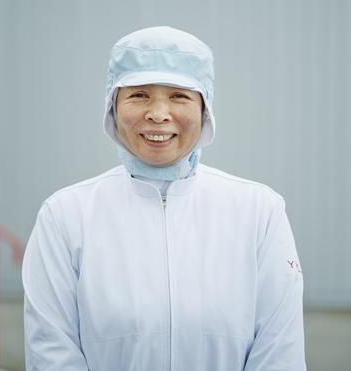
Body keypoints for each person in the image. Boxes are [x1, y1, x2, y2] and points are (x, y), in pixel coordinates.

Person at [22, 26, 306, 370]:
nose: (158, 113)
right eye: (139, 95)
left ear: (205, 108)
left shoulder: (259, 213)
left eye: (179, 96)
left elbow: (279, 353)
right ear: (113, 105)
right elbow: (51, 351)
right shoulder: (65, 216)